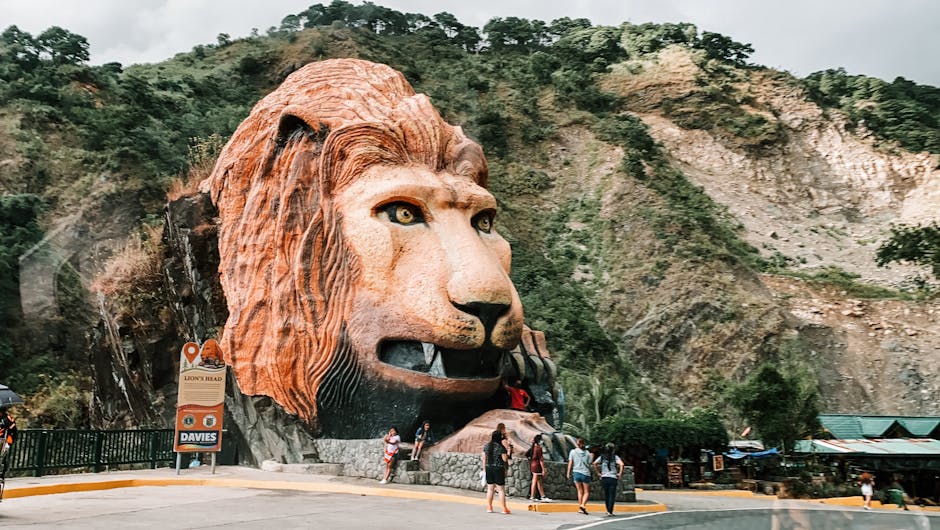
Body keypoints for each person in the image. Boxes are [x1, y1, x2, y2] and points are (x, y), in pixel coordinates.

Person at [482, 429, 511, 514]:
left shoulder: (487, 446)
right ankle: (504, 508)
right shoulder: (501, 447)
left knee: (490, 489)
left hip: (489, 468)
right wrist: (508, 453)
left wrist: (484, 469)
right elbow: (505, 459)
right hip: (498, 469)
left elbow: (484, 458)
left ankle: (489, 507)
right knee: (501, 490)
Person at [593, 443, 624, 516]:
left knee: (606, 495)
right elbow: (621, 464)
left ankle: (607, 510)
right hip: (613, 478)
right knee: (612, 495)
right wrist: (620, 473)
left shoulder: (602, 457)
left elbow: (594, 463)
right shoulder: (615, 457)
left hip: (604, 477)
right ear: (613, 450)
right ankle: (610, 511)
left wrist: (598, 473)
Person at [567, 437, 593, 514]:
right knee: (586, 492)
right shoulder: (588, 453)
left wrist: (568, 472)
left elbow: (570, 463)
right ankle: (583, 505)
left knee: (579, 491)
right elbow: (589, 463)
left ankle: (580, 507)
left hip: (576, 473)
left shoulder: (573, 452)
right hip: (585, 473)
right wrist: (592, 456)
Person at [526, 434, 551, 502]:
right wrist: (543, 469)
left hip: (533, 465)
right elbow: (541, 460)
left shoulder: (532, 448)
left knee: (539, 481)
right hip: (537, 466)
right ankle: (532, 496)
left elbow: (527, 455)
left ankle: (542, 496)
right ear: (539, 440)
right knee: (535, 481)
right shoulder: (538, 448)